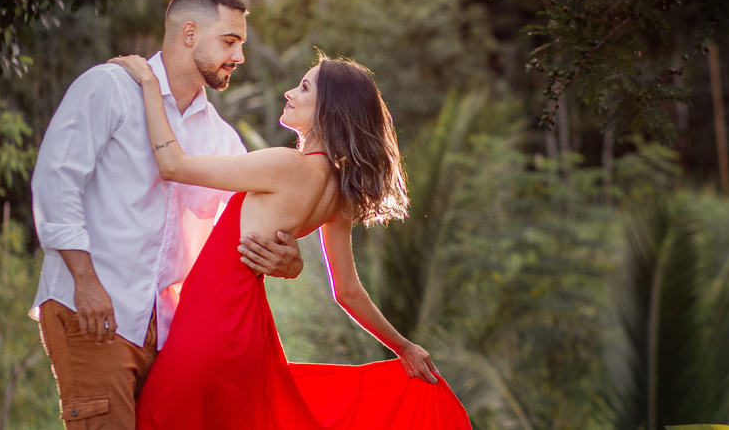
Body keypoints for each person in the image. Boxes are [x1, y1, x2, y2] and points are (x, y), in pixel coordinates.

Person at [107, 52, 469, 429]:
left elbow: (174, 166)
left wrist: (150, 84)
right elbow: (347, 291)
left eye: (305, 86)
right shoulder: (341, 193)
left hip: (212, 328)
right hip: (247, 336)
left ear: (330, 108)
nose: (289, 92)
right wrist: (403, 347)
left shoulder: (288, 165)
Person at [30, 0, 305, 430]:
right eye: (229, 42)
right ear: (190, 33)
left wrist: (287, 259)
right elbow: (54, 183)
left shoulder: (220, 138)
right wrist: (86, 281)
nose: (238, 57)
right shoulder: (109, 88)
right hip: (93, 311)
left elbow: (243, 224)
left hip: (167, 333)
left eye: (241, 45)